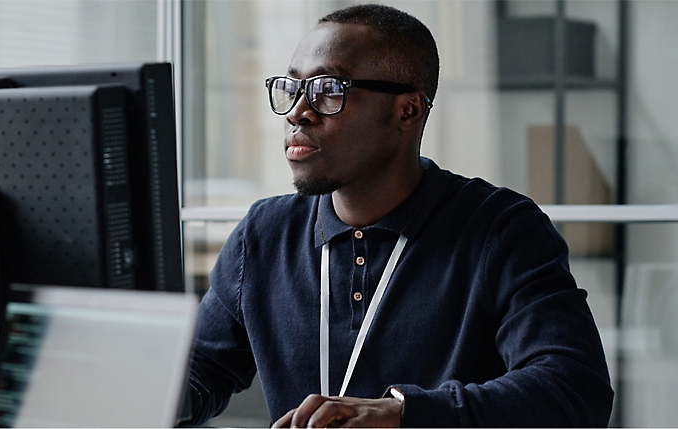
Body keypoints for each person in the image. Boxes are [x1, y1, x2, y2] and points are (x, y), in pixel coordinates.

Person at [184, 4, 613, 427]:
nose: (298, 111)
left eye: (329, 90)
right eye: (291, 88)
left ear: (407, 110)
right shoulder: (263, 235)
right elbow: (196, 376)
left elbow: (574, 388)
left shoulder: (500, 229)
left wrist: (405, 415)